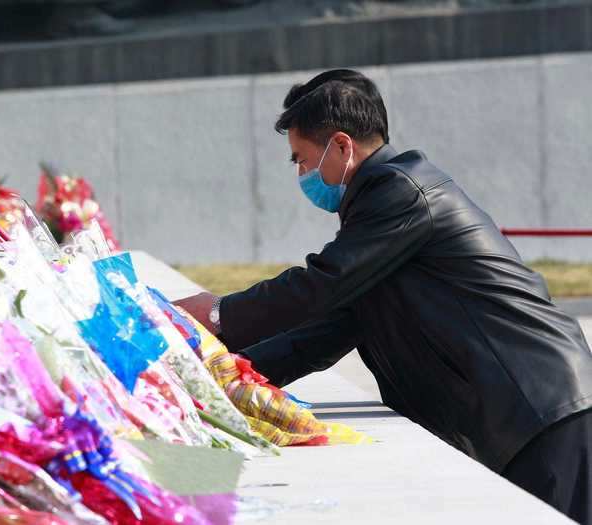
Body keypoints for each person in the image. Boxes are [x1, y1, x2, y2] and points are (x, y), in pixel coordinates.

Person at [174, 68, 592, 524]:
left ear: (340, 146)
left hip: (543, 405)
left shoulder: (402, 191)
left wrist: (218, 313)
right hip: (521, 412)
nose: (300, 173)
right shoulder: (379, 215)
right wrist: (222, 374)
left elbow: (321, 286)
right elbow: (329, 328)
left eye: (301, 159)